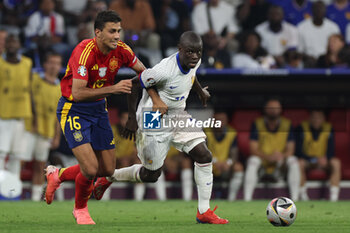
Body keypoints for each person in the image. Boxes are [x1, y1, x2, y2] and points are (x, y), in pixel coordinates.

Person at [93, 31, 229, 224]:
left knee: (204, 155)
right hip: (152, 117)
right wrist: (132, 118)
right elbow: (133, 85)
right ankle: (109, 177)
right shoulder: (163, 70)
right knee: (151, 174)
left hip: (177, 114)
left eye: (198, 52)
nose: (195, 56)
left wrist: (199, 91)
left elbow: (191, 75)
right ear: (179, 50)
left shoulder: (194, 60)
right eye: (190, 52)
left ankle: (204, 211)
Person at [44, 10, 148, 225]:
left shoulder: (122, 50)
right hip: (74, 109)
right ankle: (80, 209)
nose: (117, 36)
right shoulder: (84, 52)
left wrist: (151, 97)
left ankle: (58, 175)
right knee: (90, 169)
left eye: (119, 31)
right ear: (98, 32)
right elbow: (79, 93)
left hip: (99, 109)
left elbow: (144, 73)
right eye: (112, 31)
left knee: (108, 170)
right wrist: (115, 88)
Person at [18, 53, 62, 202]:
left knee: (40, 165)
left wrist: (57, 136)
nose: (53, 66)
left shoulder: (60, 89)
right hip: (29, 129)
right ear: (45, 64)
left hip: (47, 131)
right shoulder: (35, 80)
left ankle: (35, 199)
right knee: (20, 162)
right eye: (51, 62)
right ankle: (12, 193)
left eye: (57, 63)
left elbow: (59, 116)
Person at [244, 98, 300, 201]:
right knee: (252, 160)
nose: (273, 110)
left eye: (276, 108)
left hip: (280, 166)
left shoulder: (287, 124)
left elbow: (291, 149)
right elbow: (253, 149)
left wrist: (280, 156)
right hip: (263, 165)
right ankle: (247, 200)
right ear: (265, 109)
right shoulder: (257, 123)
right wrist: (268, 157)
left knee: (293, 161)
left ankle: (295, 200)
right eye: (271, 108)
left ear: (280, 109)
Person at [0, 34, 32, 173]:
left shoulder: (27, 63)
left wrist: (33, 114)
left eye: (15, 41)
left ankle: (12, 192)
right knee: (1, 154)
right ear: (5, 45)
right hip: (3, 116)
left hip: (22, 116)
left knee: (17, 155)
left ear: (19, 45)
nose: (12, 44)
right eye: (9, 41)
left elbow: (30, 89)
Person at [295, 110, 341, 201]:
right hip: (308, 161)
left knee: (336, 162)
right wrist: (313, 159)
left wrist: (326, 159)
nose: (316, 120)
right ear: (309, 118)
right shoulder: (301, 128)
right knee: (298, 163)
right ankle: (303, 196)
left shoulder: (329, 128)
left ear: (323, 119)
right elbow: (298, 151)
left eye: (319, 118)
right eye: (314, 117)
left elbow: (331, 150)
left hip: (323, 161)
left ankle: (334, 197)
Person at [205, 110, 243, 201]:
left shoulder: (232, 133)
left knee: (238, 167)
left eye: (222, 120)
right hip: (210, 165)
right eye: (217, 120)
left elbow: (234, 155)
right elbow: (202, 153)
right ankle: (204, 199)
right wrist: (214, 162)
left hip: (226, 166)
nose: (220, 122)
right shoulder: (206, 132)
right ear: (213, 121)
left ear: (226, 121)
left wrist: (228, 163)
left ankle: (231, 199)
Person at [297, 1, 340, 66]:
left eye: (321, 8)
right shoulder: (301, 27)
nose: (319, 10)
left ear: (325, 10)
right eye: (316, 8)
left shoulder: (333, 27)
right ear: (312, 10)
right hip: (308, 61)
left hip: (327, 61)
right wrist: (307, 57)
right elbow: (299, 50)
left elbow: (337, 49)